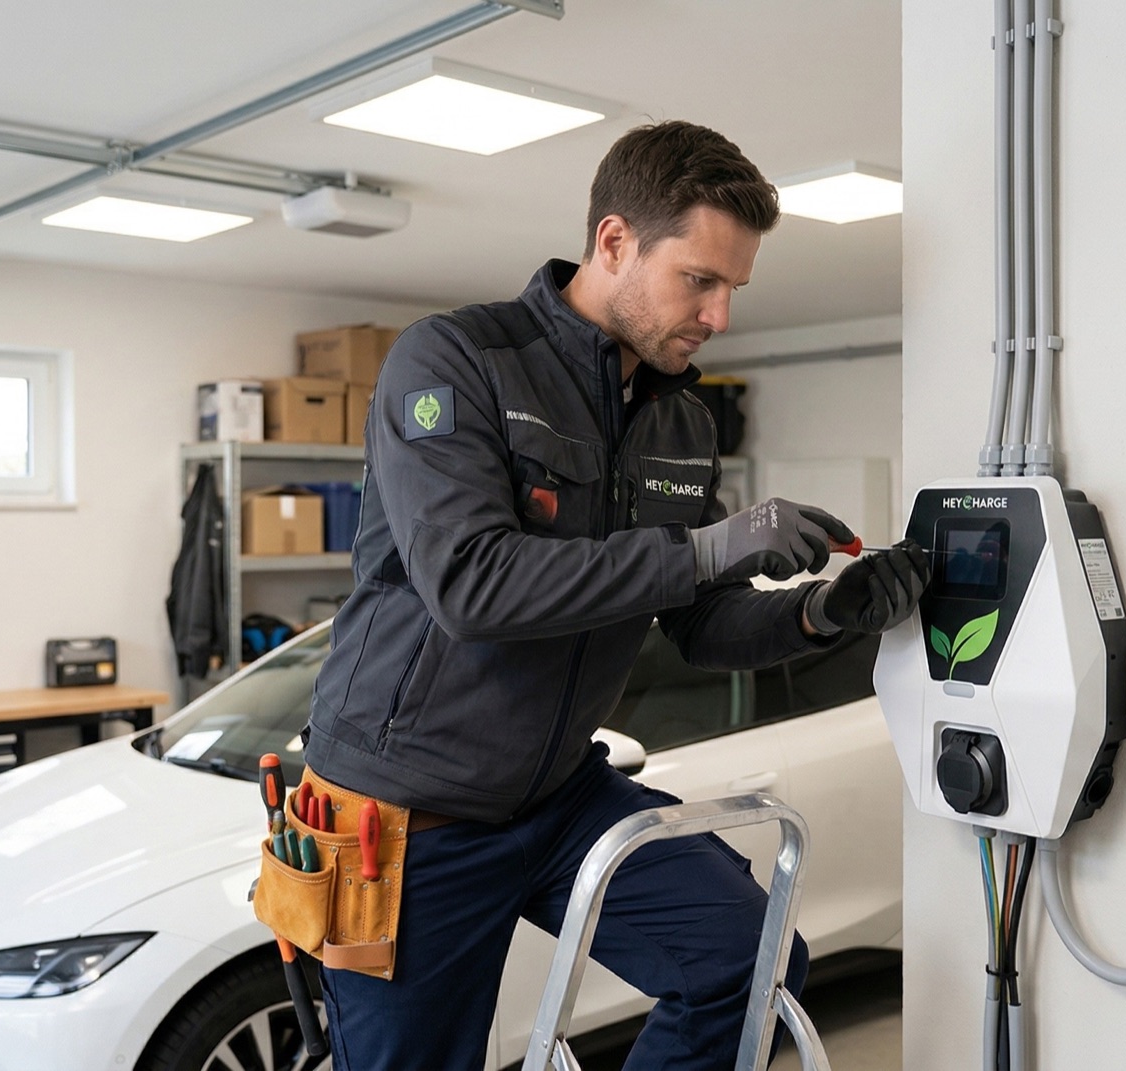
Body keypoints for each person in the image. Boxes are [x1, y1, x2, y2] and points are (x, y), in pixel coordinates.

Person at [304, 120, 931, 1071]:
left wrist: (817, 615)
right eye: (700, 280)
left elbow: (698, 624)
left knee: (749, 964)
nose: (720, 316)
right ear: (613, 242)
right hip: (407, 813)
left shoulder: (681, 414)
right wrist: (708, 544)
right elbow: (473, 582)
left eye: (734, 289)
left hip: (556, 794)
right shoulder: (454, 361)